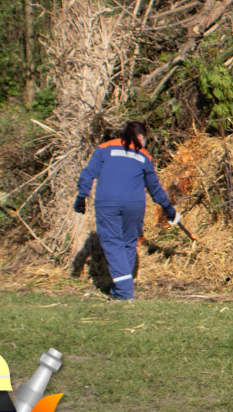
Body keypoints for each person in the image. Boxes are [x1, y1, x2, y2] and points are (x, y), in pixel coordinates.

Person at [75, 121, 180, 300]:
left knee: (112, 242)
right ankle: (120, 289)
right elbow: (154, 188)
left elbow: (88, 173)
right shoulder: (144, 156)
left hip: (108, 203)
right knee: (129, 243)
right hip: (134, 205)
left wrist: (81, 196)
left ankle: (124, 292)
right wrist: (168, 209)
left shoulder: (105, 148)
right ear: (141, 137)